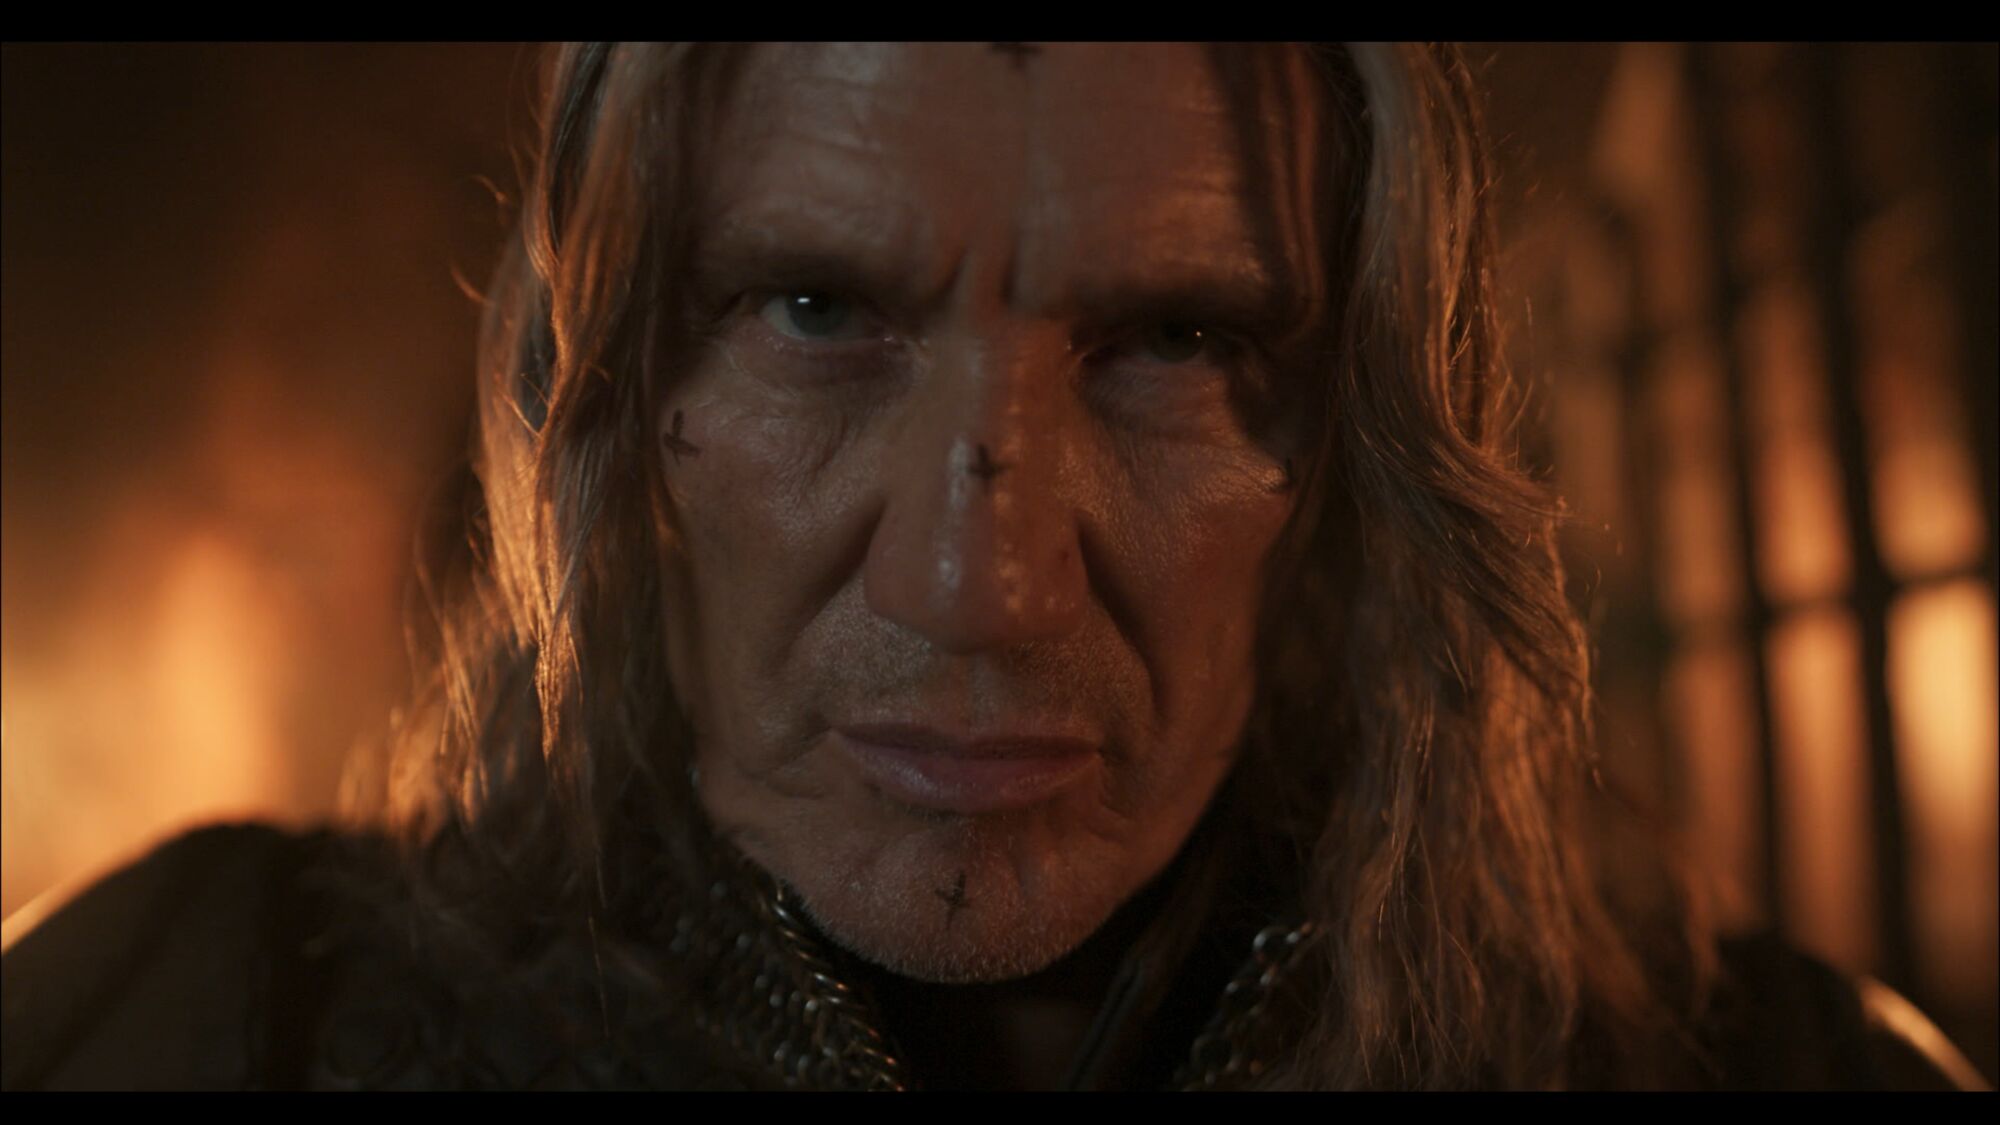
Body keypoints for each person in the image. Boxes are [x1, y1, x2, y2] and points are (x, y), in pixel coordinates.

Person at [1, 42, 1984, 1091]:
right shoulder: (181, 1025)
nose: (982, 586)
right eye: (814, 309)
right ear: (618, 389)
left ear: (1360, 446)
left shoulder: (1772, 1071)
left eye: (1177, 340)